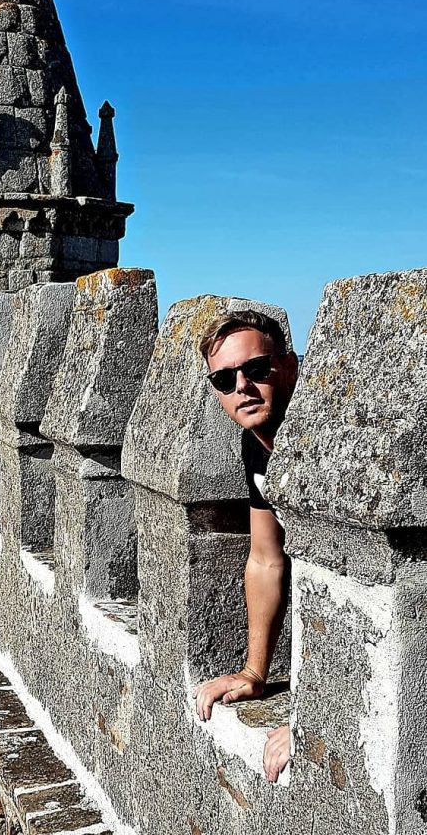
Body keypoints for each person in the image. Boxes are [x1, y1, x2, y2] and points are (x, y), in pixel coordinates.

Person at [192, 309, 299, 783]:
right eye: (225, 378)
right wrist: (254, 673)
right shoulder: (257, 443)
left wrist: (315, 723)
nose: (242, 386)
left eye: (257, 369)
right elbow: (265, 558)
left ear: (290, 366)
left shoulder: (322, 436)